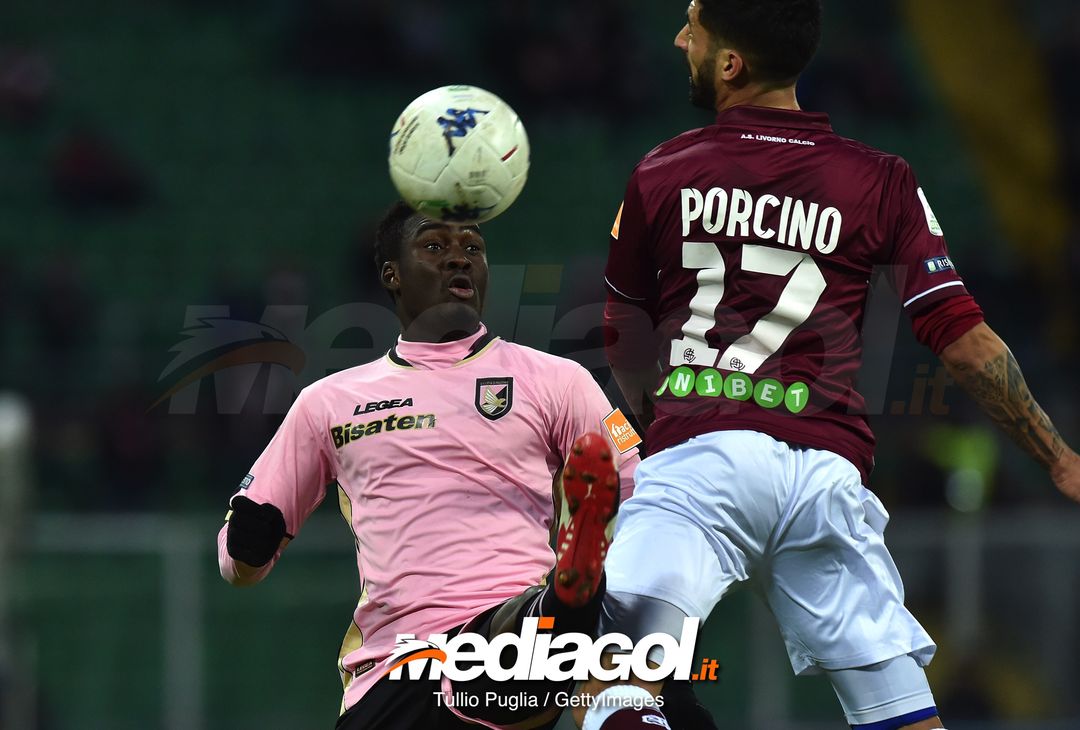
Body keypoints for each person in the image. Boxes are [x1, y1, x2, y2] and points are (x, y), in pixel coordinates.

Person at [576, 2, 1080, 730]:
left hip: (700, 465)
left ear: (730, 64)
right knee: (906, 718)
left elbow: (621, 331)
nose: (681, 39)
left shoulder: (662, 171)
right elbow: (966, 343)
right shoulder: (881, 179)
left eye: (694, 28)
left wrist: (657, 424)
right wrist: (1058, 458)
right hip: (823, 479)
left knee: (608, 685)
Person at [218, 201, 639, 730]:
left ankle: (566, 600)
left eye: (473, 248)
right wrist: (247, 543)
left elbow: (639, 491)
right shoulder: (328, 402)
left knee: (519, 637)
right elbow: (237, 564)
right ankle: (564, 605)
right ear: (391, 275)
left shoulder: (558, 381)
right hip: (389, 671)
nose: (460, 259)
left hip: (500, 645)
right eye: (435, 246)